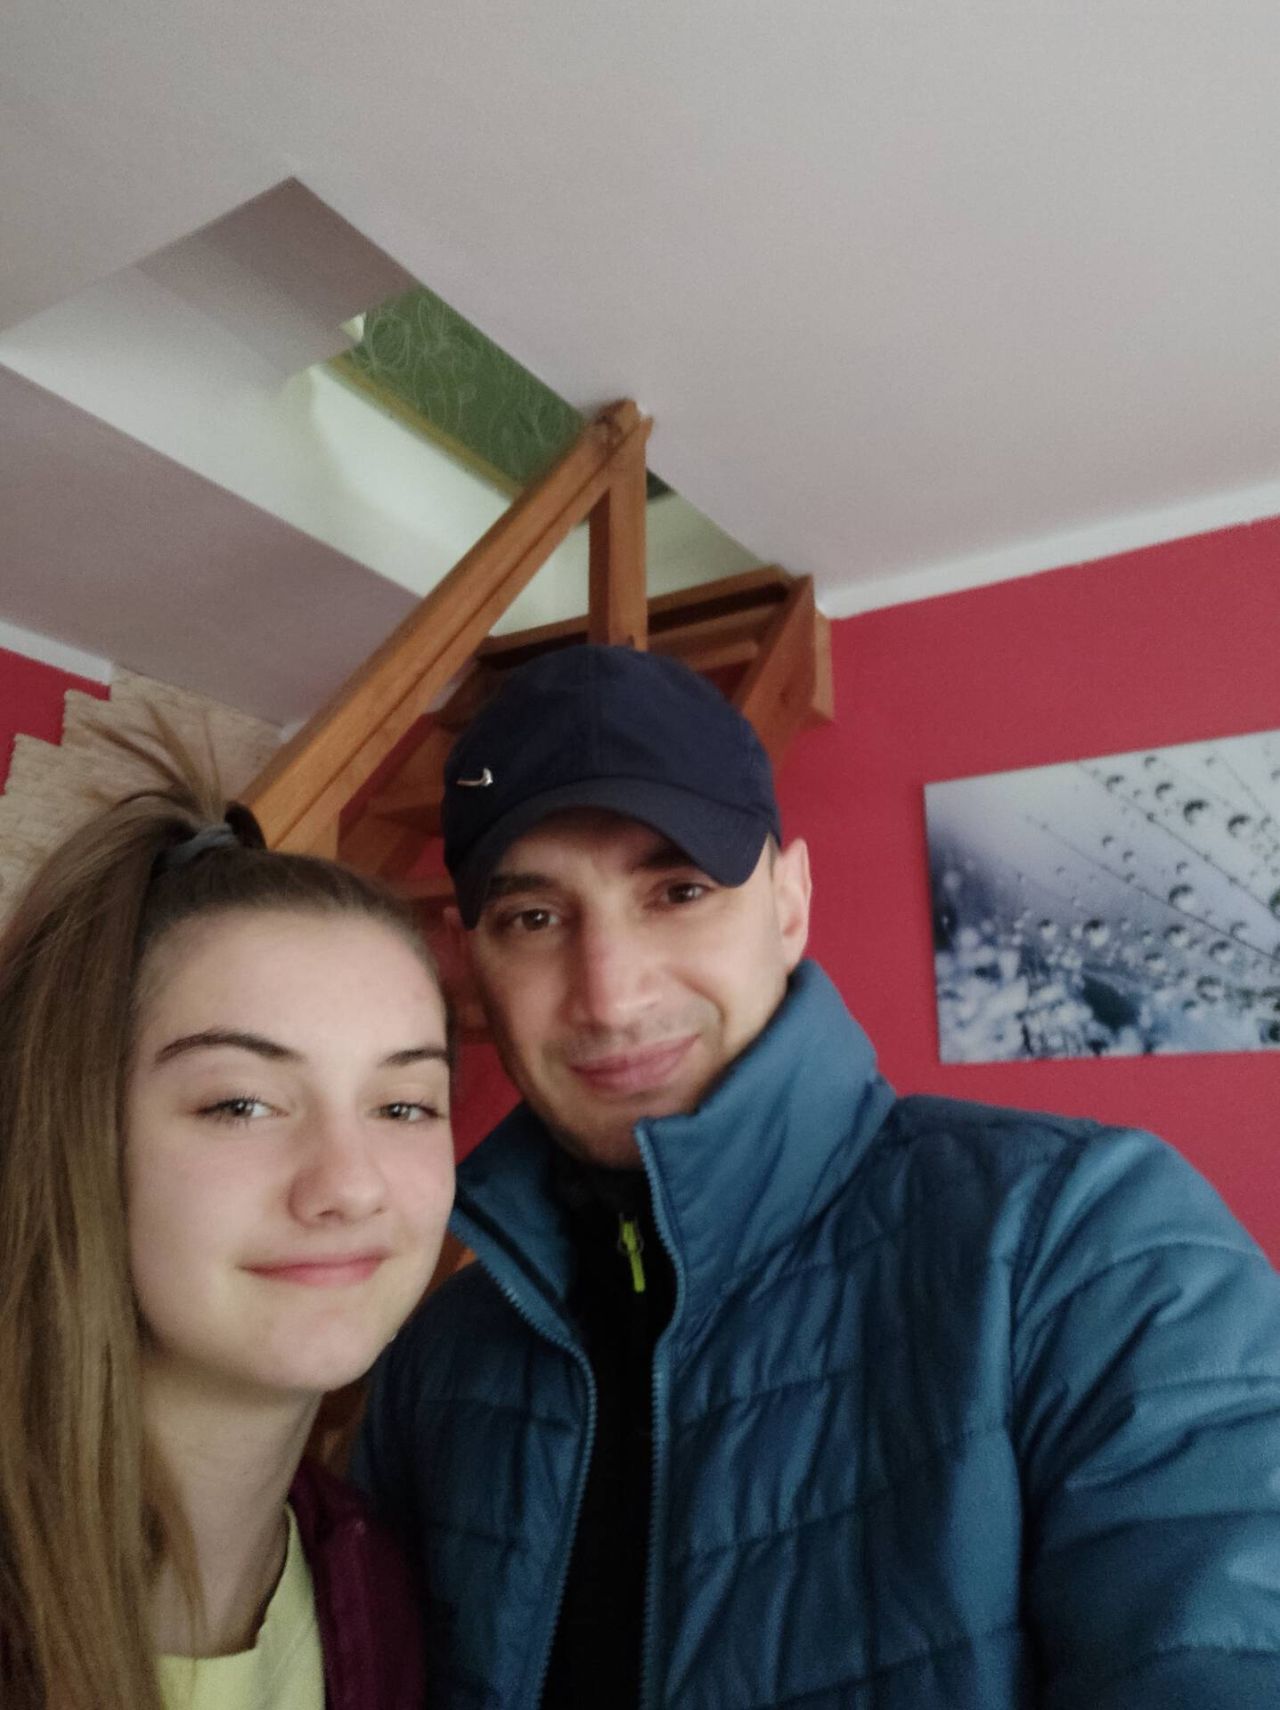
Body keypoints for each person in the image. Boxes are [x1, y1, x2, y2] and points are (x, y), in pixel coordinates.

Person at [356, 644, 1280, 1709]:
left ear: (789, 905)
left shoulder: (1085, 1239)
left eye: (678, 890)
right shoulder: (435, 1357)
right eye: (534, 918)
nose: (608, 996)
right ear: (471, 961)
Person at [0, 738, 454, 1710]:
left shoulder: (377, 1594)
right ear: (81, 1136)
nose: (350, 1187)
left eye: (404, 1105)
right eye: (241, 1103)